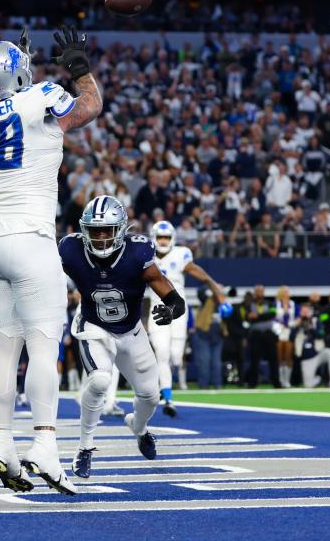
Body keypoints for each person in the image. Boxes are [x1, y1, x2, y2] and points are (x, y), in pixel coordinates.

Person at [0, 26, 102, 496]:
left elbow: (1, 105)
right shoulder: (42, 96)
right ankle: (45, 445)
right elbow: (88, 108)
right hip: (30, 237)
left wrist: (19, 76)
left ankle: (1, 442)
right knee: (42, 344)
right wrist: (79, 69)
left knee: (3, 345)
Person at [59, 196, 185, 478]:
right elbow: (43, 279)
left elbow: (163, 285)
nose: (101, 237)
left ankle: (138, 428)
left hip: (131, 331)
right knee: (100, 380)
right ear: (84, 230)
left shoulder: (137, 252)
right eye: (95, 230)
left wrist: (174, 307)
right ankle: (84, 447)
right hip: (94, 326)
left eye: (107, 230)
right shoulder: (70, 249)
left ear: (121, 229)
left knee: (150, 396)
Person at [147, 220, 225, 417]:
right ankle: (168, 397)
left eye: (166, 237)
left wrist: (217, 289)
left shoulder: (181, 254)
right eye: (160, 237)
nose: (163, 241)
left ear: (172, 238)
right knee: (162, 353)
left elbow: (200, 274)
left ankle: (165, 387)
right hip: (157, 308)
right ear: (153, 238)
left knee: (175, 356)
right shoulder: (145, 254)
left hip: (179, 311)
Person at [245, 284, 281, 388]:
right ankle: (252, 383)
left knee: (273, 359)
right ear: (255, 293)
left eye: (261, 291)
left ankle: (276, 382)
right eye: (257, 291)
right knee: (254, 359)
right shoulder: (249, 304)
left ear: (263, 293)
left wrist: (257, 316)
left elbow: (272, 314)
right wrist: (258, 317)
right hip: (255, 334)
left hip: (268, 334)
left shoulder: (270, 303)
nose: (259, 293)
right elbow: (248, 317)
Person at [294, 305, 330, 388]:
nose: (305, 314)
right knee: (308, 385)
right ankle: (316, 379)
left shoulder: (316, 321)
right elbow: (291, 337)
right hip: (307, 359)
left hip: (318, 353)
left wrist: (311, 328)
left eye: (307, 312)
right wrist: (298, 325)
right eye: (303, 312)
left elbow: (321, 334)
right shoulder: (297, 322)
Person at [193, 286, 225, 390]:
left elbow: (228, 317)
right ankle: (203, 385)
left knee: (217, 362)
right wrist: (213, 287)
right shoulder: (206, 300)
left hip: (217, 336)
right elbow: (200, 292)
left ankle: (218, 385)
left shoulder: (223, 303)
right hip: (203, 336)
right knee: (204, 361)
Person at [274, 286, 298, 388]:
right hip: (279, 331)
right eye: (283, 292)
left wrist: (292, 324)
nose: (285, 294)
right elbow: (273, 317)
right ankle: (280, 379)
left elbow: (298, 317)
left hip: (289, 330)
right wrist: (279, 327)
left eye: (287, 292)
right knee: (279, 356)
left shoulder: (293, 304)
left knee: (288, 356)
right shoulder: (276, 304)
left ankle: (287, 380)